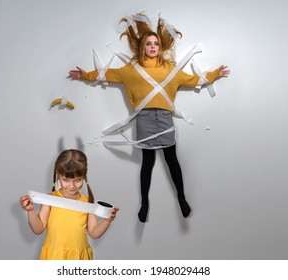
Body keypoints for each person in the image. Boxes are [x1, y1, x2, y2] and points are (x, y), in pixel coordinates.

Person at [69, 13, 230, 222]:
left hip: (165, 118)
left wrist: (214, 74)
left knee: (172, 160)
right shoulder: (131, 70)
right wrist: (85, 75)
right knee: (148, 162)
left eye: (156, 43)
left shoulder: (170, 69)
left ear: (160, 47)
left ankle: (181, 198)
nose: (153, 46)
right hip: (144, 118)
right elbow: (108, 74)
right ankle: (145, 202)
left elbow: (193, 80)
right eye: (148, 43)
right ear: (142, 47)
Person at [20, 149, 119, 260]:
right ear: (58, 176)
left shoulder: (87, 202)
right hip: (55, 257)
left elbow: (94, 233)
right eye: (66, 180)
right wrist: (30, 211)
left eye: (77, 180)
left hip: (79, 258)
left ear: (84, 177)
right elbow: (38, 229)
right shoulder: (50, 199)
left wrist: (107, 220)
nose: (72, 186)